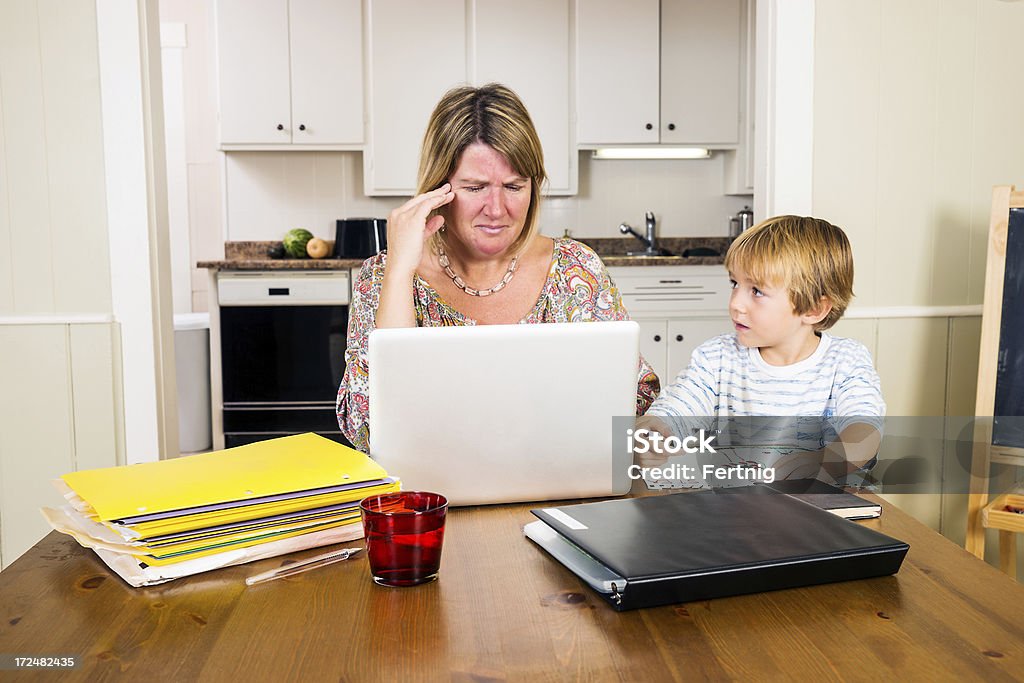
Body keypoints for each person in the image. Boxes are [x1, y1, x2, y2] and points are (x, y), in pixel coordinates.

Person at [337, 83, 659, 452]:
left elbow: (635, 395)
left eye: (513, 185)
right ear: (437, 189)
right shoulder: (383, 278)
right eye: (475, 187)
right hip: (437, 500)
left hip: (562, 486)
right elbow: (369, 429)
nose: (496, 209)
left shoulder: (576, 270)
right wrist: (399, 272)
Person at [637, 215, 885, 483]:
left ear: (814, 309)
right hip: (736, 509)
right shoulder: (716, 358)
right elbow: (678, 409)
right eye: (735, 284)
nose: (735, 303)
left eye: (756, 291)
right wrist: (655, 432)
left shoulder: (845, 361)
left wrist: (818, 462)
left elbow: (864, 431)